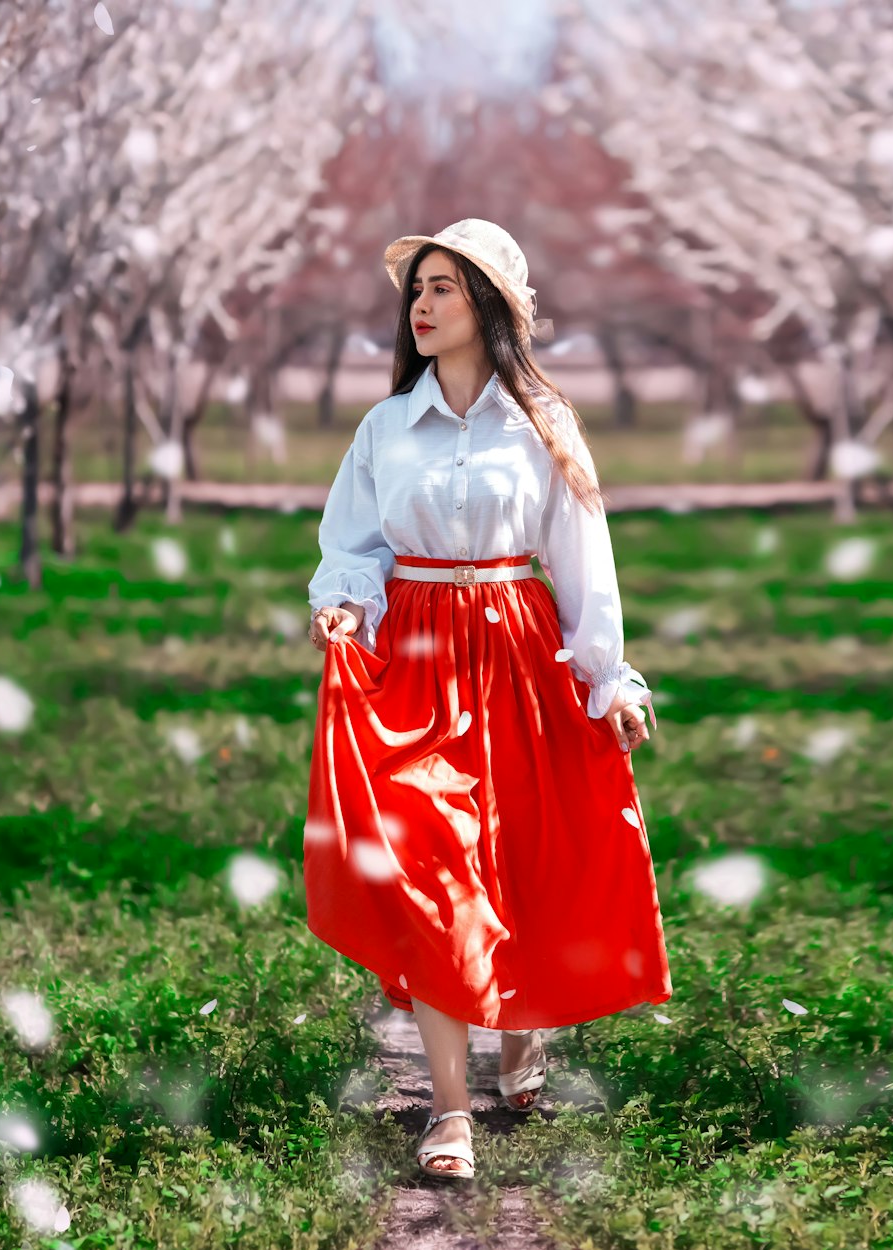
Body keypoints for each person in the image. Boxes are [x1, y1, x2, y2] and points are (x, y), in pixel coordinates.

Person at [304, 219, 672, 1181]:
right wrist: (344, 607)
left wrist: (608, 677)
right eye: (415, 291)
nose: (420, 307)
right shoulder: (385, 427)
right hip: (420, 660)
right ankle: (449, 1109)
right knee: (433, 863)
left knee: (520, 858)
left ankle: (520, 1033)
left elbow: (583, 559)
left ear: (490, 308)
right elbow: (352, 546)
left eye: (443, 290)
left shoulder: (544, 421)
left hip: (519, 652)